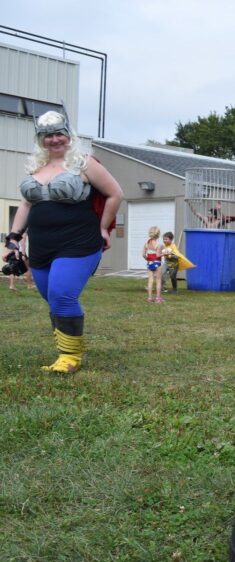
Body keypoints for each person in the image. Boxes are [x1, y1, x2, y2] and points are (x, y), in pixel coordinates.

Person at [2, 110, 123, 373]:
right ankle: (65, 352)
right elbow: (26, 203)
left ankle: (70, 357)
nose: (55, 140)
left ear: (69, 135)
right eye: (48, 135)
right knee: (52, 297)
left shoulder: (84, 163)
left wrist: (104, 228)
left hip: (78, 242)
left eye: (59, 134)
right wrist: (13, 237)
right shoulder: (36, 167)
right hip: (42, 246)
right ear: (40, 139)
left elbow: (115, 194)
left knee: (62, 295)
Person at [142, 226, 164, 303]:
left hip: (149, 263)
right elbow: (158, 255)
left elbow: (143, 255)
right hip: (157, 263)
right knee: (158, 281)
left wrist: (148, 260)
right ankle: (158, 298)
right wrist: (164, 254)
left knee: (150, 280)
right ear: (158, 235)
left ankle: (149, 298)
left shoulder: (146, 244)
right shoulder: (159, 245)